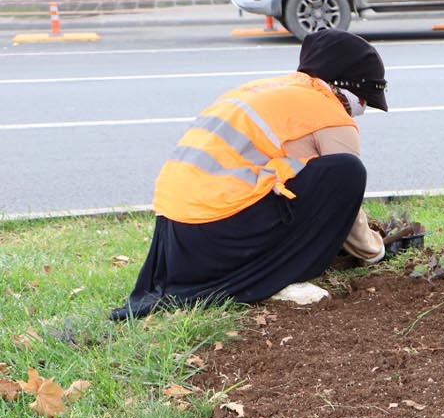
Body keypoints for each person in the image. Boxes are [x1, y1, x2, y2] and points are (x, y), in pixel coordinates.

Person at [111, 29, 391, 320]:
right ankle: (275, 275)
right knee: (347, 171)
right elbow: (343, 197)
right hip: (217, 240)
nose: (363, 108)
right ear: (347, 88)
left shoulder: (267, 91)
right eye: (365, 100)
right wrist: (373, 250)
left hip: (177, 245)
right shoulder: (327, 110)